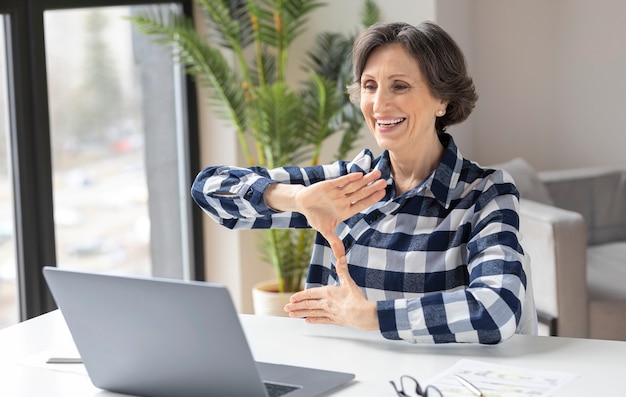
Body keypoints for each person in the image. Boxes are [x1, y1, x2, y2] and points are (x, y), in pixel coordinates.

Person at [191, 21, 536, 344]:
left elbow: (496, 310)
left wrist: (372, 316)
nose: (379, 104)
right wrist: (297, 199)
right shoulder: (344, 184)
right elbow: (210, 188)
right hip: (346, 379)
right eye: (370, 86)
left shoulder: (485, 194)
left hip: (438, 388)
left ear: (442, 100)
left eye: (399, 86)